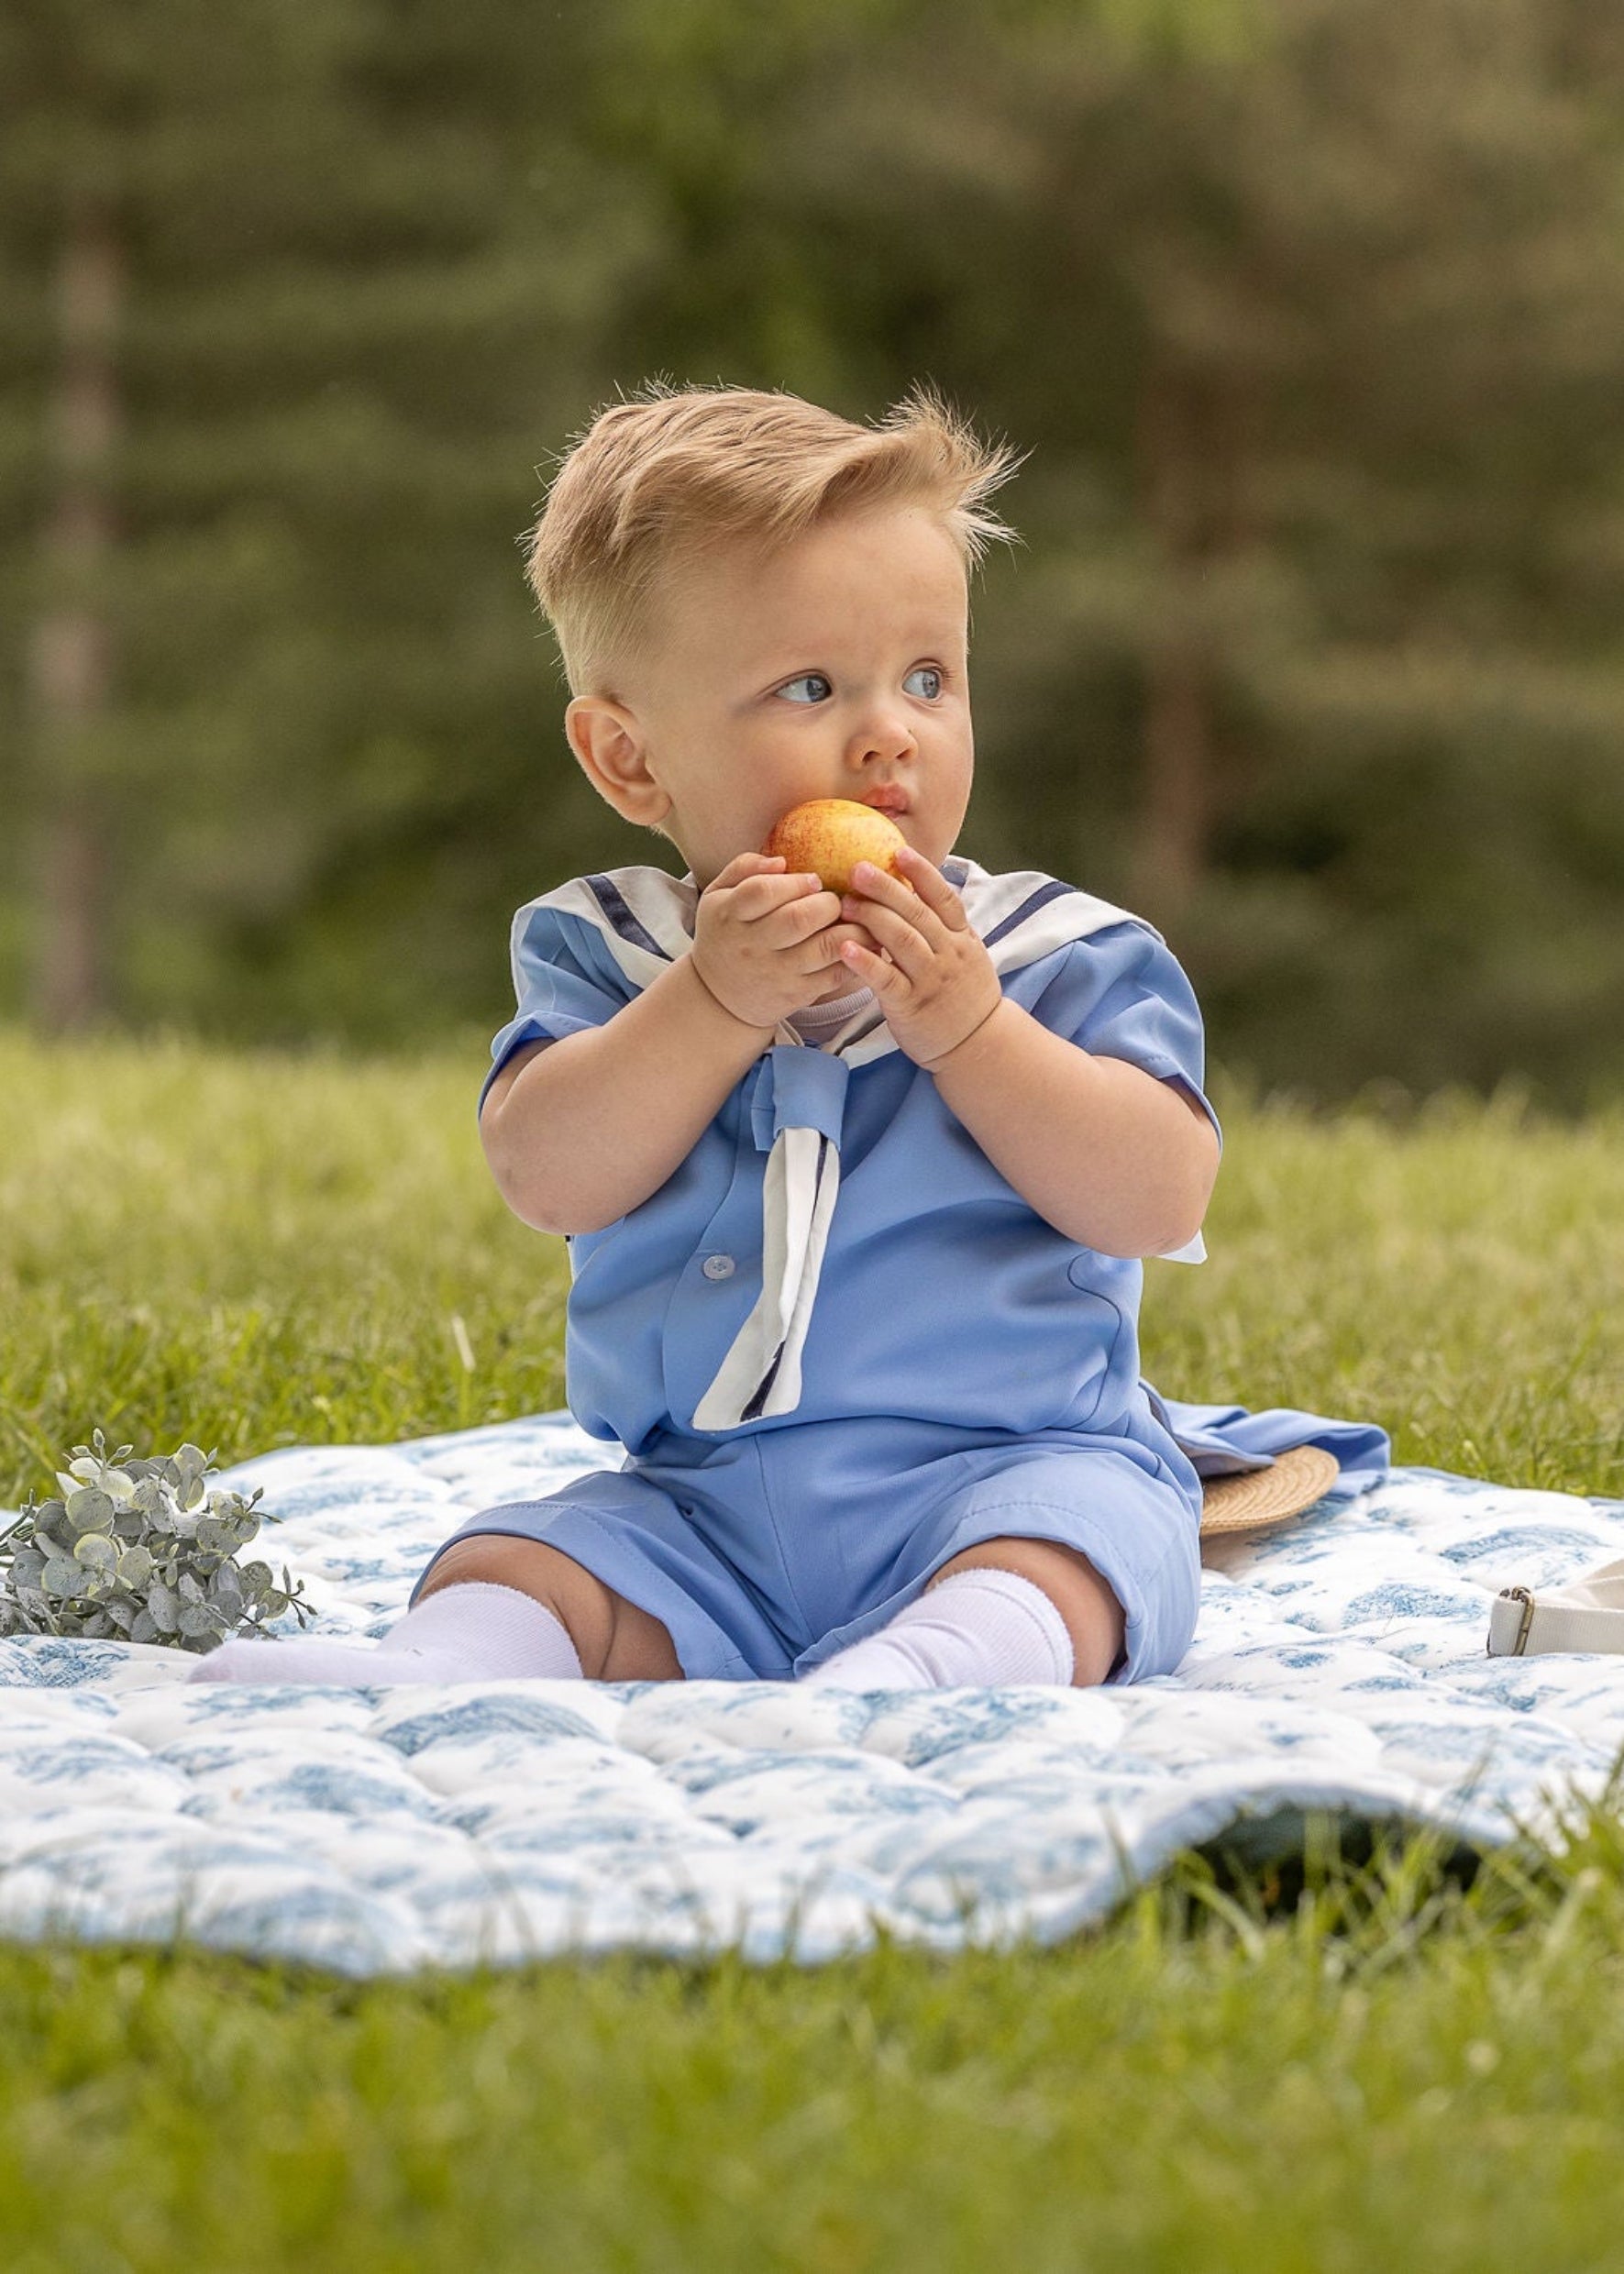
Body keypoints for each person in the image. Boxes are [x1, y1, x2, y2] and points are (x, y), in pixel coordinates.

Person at [195, 381, 1229, 1696]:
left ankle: (928, 1675)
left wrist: (972, 1033)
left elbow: (1155, 1197)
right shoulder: (612, 959)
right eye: (811, 686)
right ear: (630, 762)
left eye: (930, 679)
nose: (888, 735)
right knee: (525, 1557)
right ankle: (439, 1671)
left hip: (1010, 1470)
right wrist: (713, 1005)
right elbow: (548, 1173)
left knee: (1074, 1560)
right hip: (704, 1511)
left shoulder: (1050, 956)